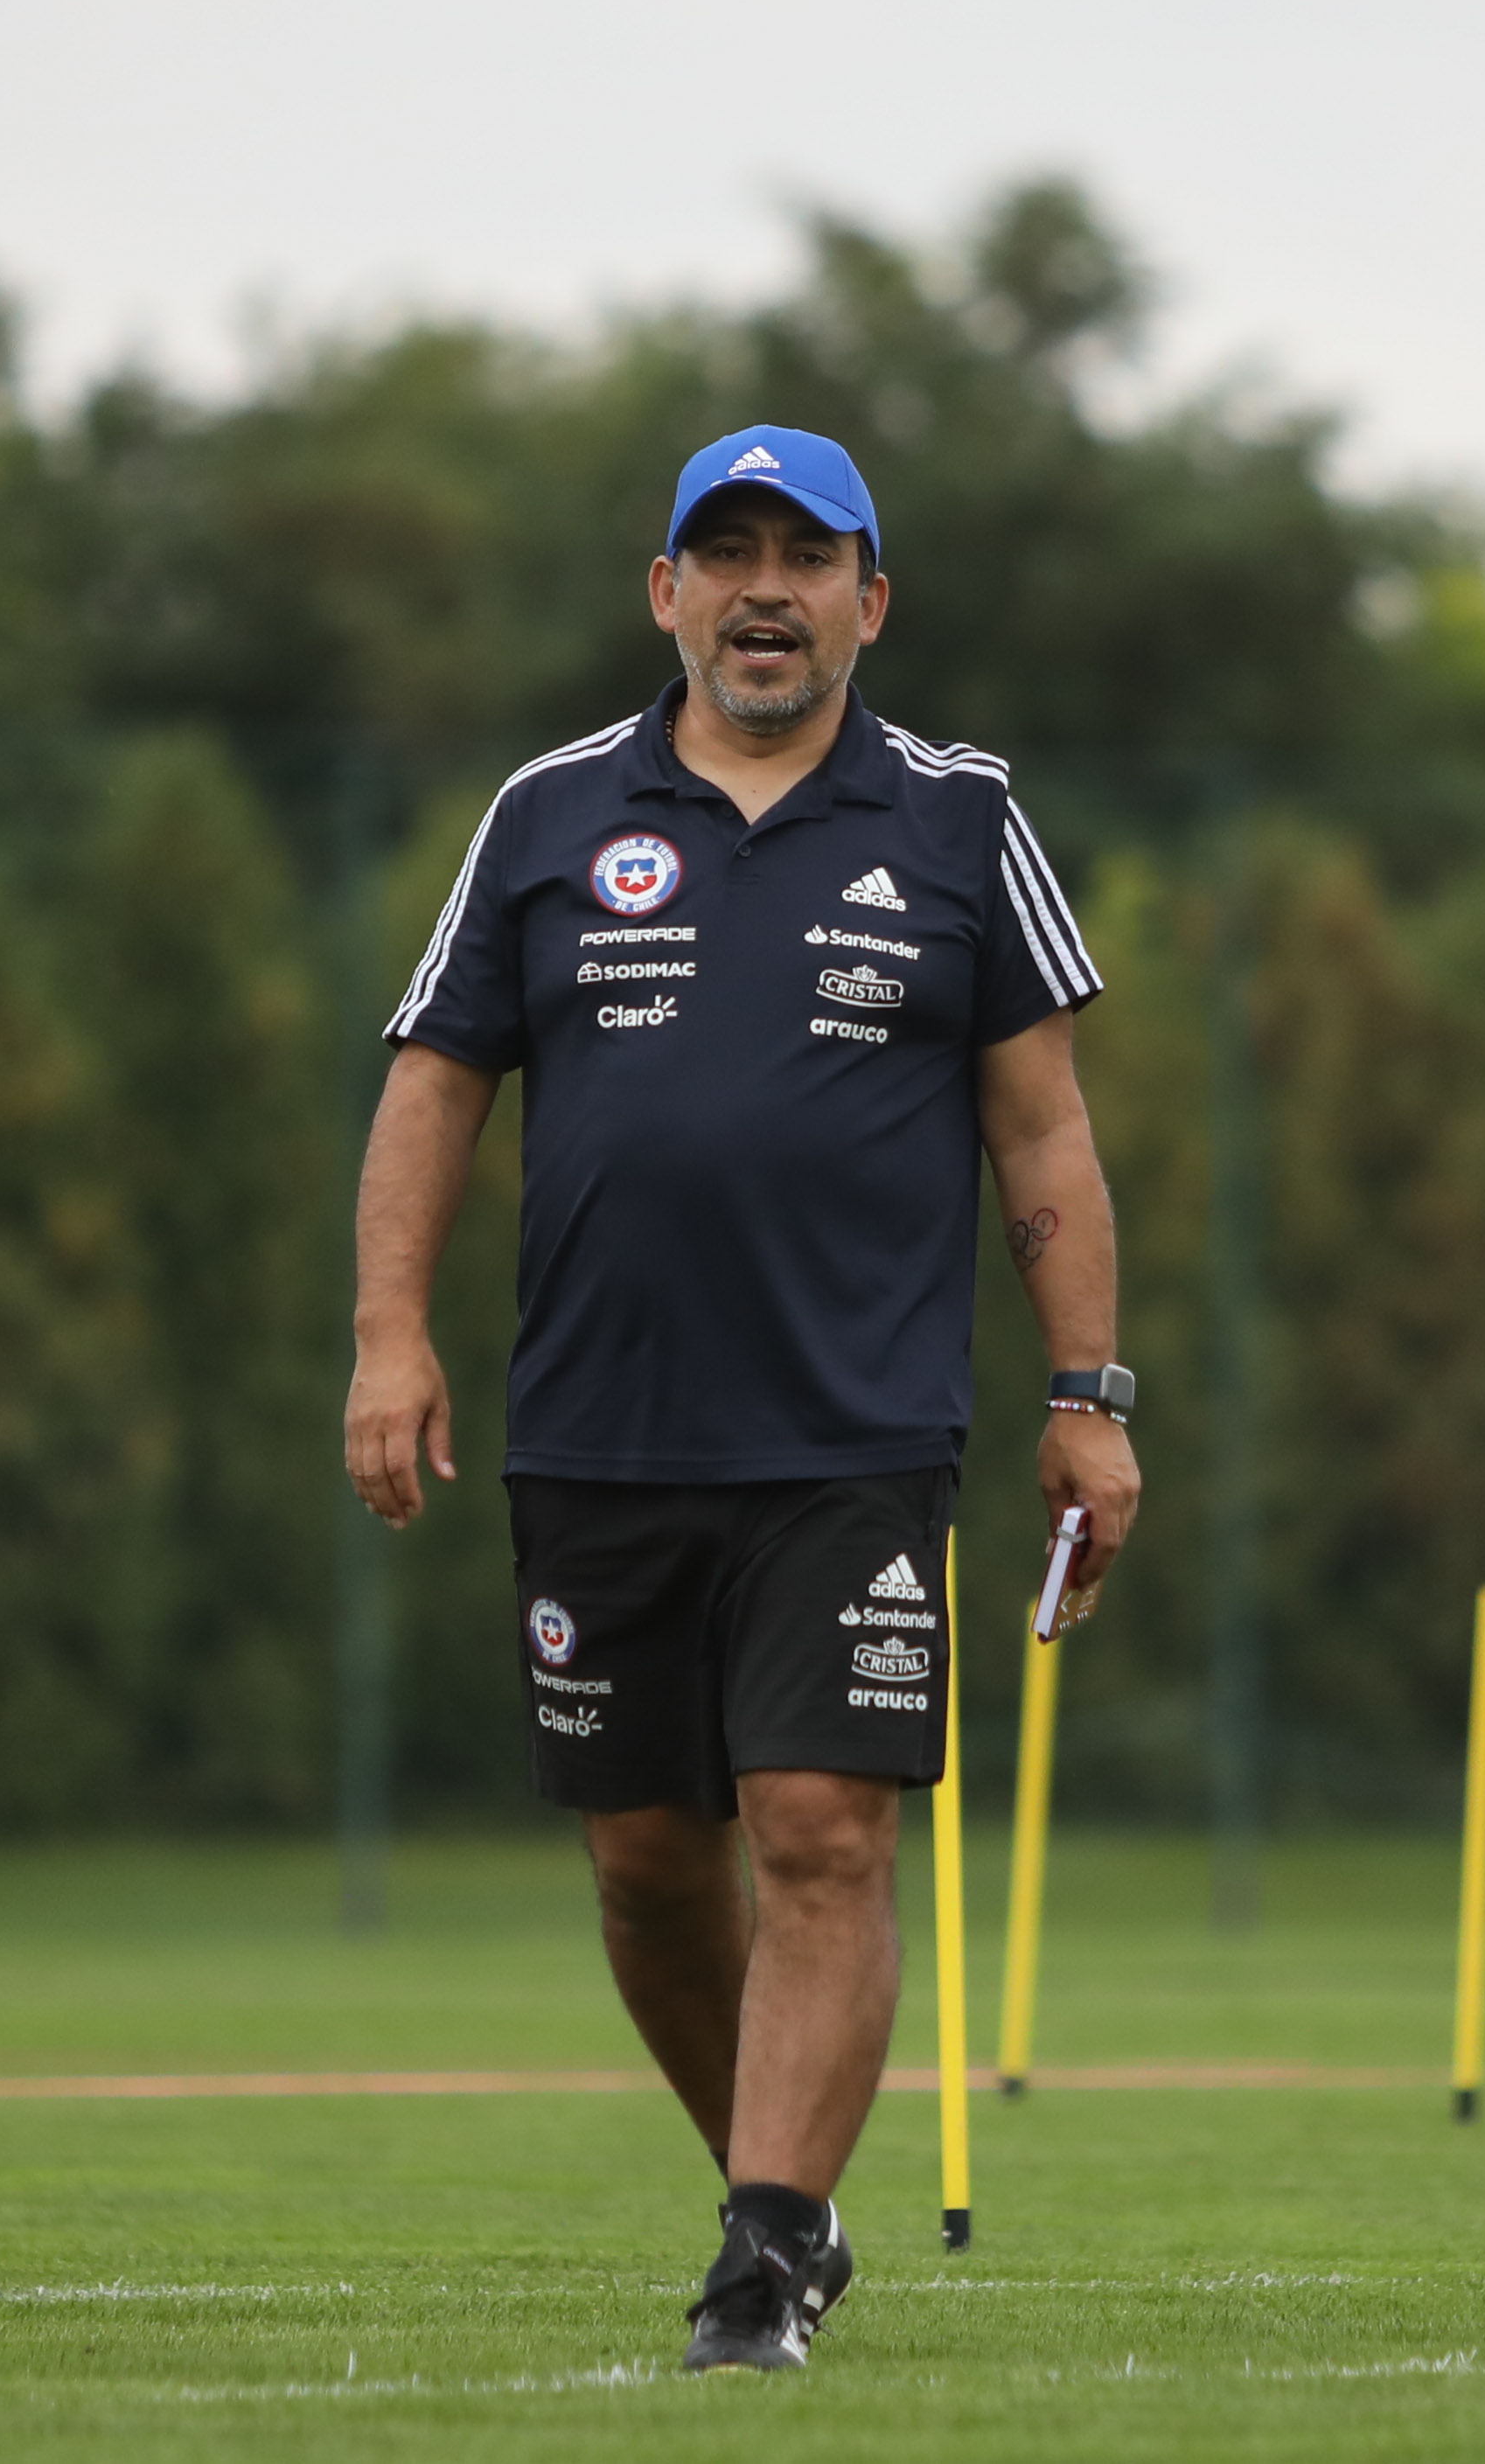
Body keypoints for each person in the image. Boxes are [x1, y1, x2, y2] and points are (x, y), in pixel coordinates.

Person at [345, 424, 1143, 2373]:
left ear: (874, 598)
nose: (764, 587)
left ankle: (762, 2261)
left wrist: (1089, 1394)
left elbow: (1042, 1132)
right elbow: (436, 1083)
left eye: (809, 554)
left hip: (854, 1441)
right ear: (666, 594)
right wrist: (389, 1333)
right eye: (729, 553)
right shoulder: (548, 814)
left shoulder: (962, 818)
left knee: (821, 1830)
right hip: (597, 1430)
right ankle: (779, 2192)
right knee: (644, 1860)